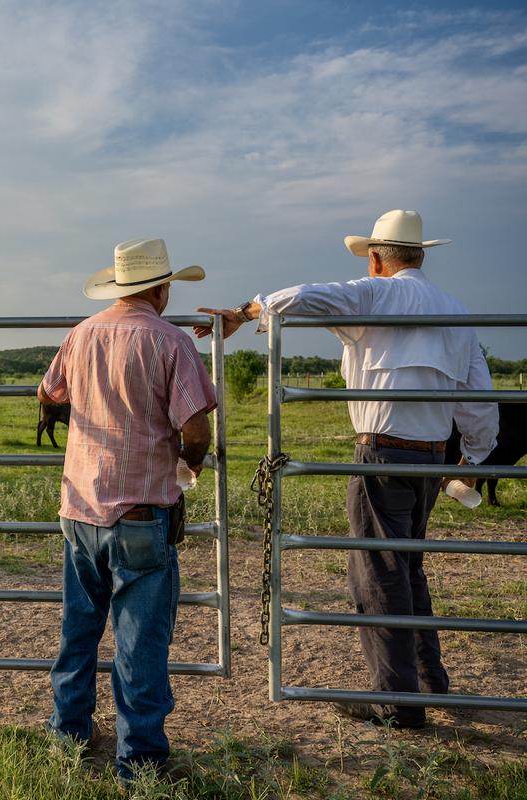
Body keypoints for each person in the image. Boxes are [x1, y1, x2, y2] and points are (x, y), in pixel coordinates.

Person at [195, 209, 498, 729]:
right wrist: (471, 457)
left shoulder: (374, 295)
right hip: (431, 457)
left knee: (377, 574)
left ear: (378, 259)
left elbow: (298, 296)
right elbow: (478, 397)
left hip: (382, 452)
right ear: (421, 255)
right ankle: (428, 680)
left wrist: (246, 313)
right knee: (407, 566)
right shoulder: (455, 311)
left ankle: (396, 703)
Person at [39, 238, 216, 785]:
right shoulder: (170, 342)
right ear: (161, 289)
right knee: (140, 643)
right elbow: (196, 427)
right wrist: (187, 470)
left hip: (80, 509)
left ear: (119, 287)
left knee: (78, 629)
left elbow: (48, 395)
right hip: (140, 513)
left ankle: (67, 735)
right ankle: (139, 764)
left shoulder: (81, 333)